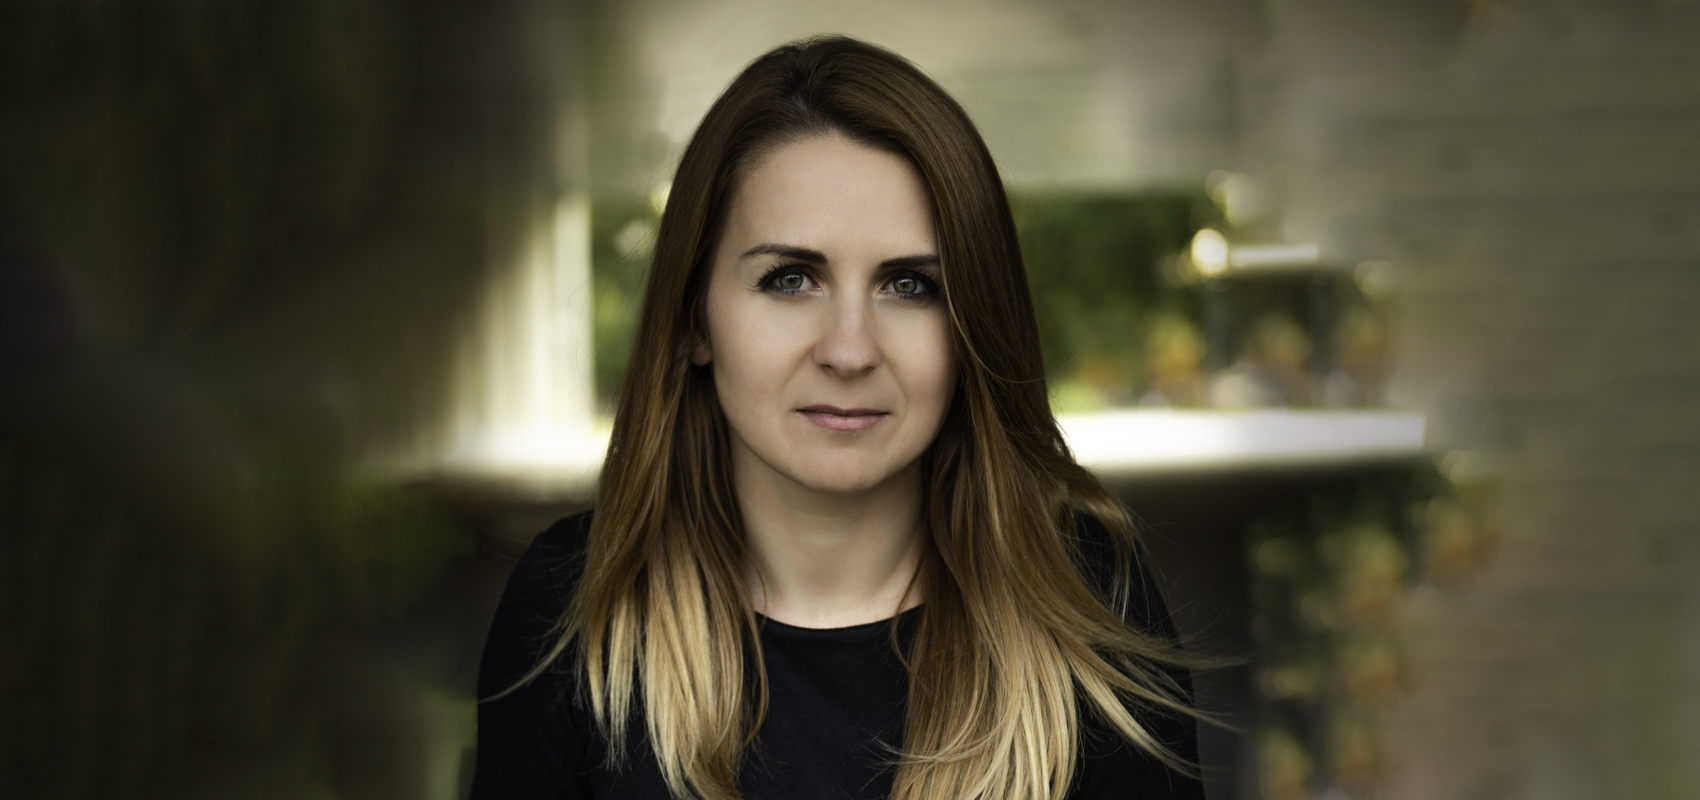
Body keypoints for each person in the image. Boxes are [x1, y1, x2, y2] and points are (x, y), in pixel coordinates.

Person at [471, 35, 1208, 800]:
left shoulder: (1084, 598)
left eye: (910, 286)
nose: (850, 351)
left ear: (974, 329)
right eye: (790, 279)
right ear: (694, 317)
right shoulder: (576, 603)